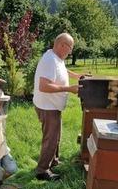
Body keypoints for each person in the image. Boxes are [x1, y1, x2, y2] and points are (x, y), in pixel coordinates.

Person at [33, 33, 84, 181]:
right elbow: (44, 86)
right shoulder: (49, 60)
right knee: (51, 138)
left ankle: (53, 161)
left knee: (56, 136)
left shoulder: (56, 58)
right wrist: (69, 89)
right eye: (70, 48)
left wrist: (77, 76)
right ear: (62, 45)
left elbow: (62, 70)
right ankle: (42, 171)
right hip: (47, 107)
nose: (71, 52)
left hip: (52, 106)